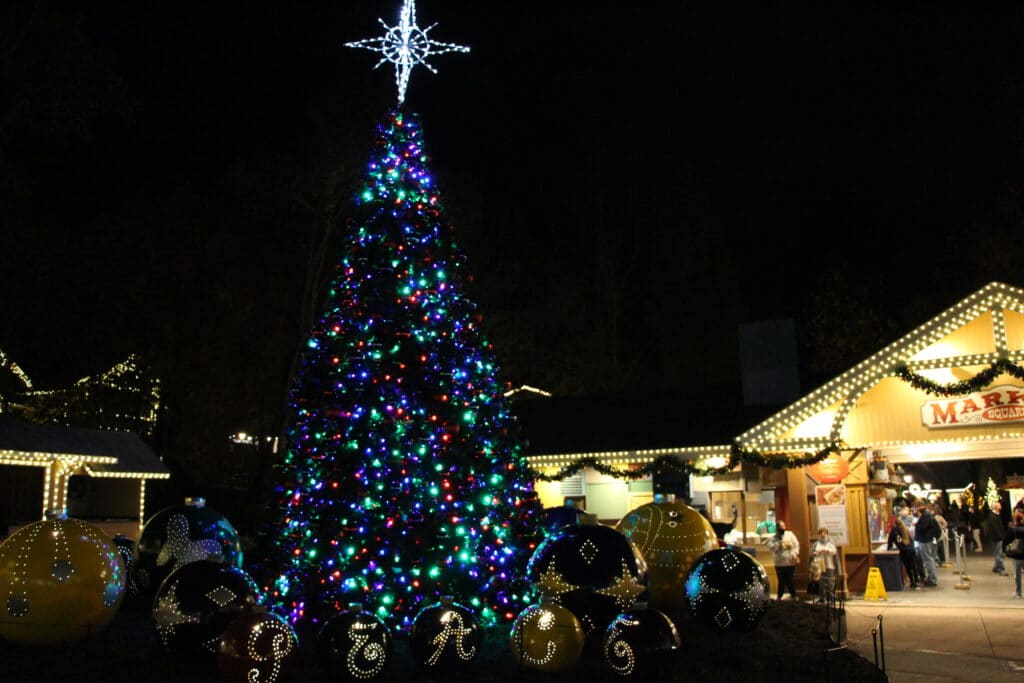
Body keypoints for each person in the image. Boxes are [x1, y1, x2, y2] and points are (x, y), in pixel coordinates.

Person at [766, 520, 800, 600]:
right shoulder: (773, 538)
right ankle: (779, 596)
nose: (783, 528)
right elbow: (771, 548)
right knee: (781, 580)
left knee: (790, 579)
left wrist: (794, 554)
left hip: (790, 561)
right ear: (777, 528)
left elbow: (796, 545)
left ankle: (794, 595)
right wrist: (778, 544)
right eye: (780, 527)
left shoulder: (790, 534)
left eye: (783, 526)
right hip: (779, 563)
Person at [888, 516, 921, 589]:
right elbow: (911, 539)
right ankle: (916, 581)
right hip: (911, 550)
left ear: (894, 523)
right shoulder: (906, 529)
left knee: (908, 567)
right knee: (914, 566)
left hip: (904, 551)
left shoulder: (895, 531)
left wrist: (890, 548)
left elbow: (893, 541)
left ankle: (912, 581)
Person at [913, 504, 940, 586]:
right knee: (928, 559)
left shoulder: (926, 516)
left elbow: (923, 527)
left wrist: (916, 524)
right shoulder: (927, 515)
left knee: (928, 559)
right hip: (927, 539)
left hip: (925, 540)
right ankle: (931, 577)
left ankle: (933, 579)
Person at [810, 526, 838, 603]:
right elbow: (812, 554)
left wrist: (827, 551)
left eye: (824, 533)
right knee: (821, 582)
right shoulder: (816, 544)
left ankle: (831, 598)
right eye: (821, 533)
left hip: (829, 564)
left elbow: (834, 552)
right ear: (818, 534)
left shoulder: (831, 542)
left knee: (830, 582)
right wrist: (817, 553)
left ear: (827, 534)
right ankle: (822, 598)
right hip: (820, 566)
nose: (822, 534)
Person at [1003, 509, 1024, 598]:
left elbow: (1005, 541)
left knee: (1017, 574)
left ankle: (1018, 592)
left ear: (1015, 519)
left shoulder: (1012, 530)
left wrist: (1004, 551)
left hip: (1016, 554)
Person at [983, 501, 1007, 575]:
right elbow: (995, 528)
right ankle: (1000, 568)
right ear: (996, 507)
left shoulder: (995, 515)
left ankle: (996, 567)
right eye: (999, 505)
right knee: (998, 553)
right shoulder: (992, 516)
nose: (1000, 505)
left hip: (997, 537)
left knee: (997, 552)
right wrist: (1001, 536)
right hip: (997, 537)